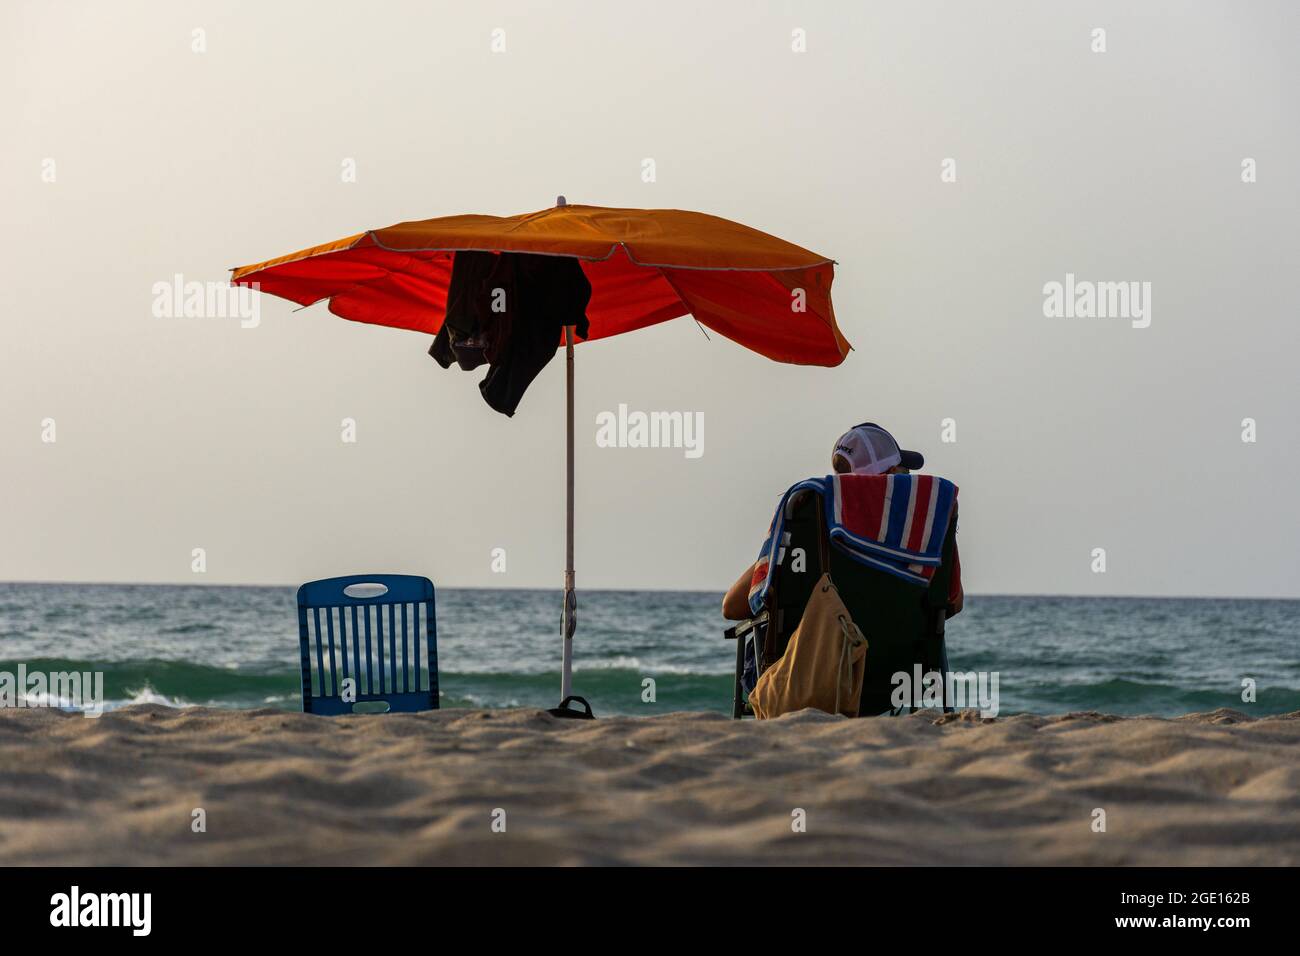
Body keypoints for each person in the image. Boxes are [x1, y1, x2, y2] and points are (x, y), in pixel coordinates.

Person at [721, 422, 963, 620]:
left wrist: (780, 544)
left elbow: (733, 607)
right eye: (903, 473)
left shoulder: (808, 513)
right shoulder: (925, 522)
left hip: (820, 674)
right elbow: (952, 603)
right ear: (889, 478)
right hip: (904, 671)